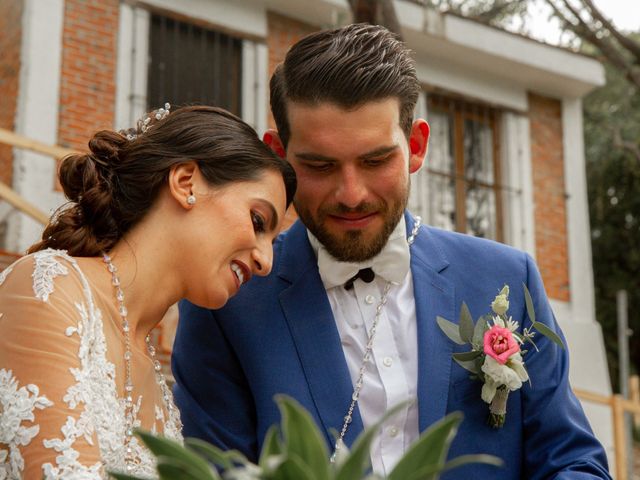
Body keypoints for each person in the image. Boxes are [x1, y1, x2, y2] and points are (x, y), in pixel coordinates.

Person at [173, 24, 611, 479]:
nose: (351, 194)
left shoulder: (507, 278)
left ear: (416, 147)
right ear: (279, 156)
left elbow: (574, 463)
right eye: (320, 166)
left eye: (375, 160)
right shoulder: (226, 303)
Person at [0, 105, 296, 479]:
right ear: (186, 182)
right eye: (258, 221)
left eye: (272, 239)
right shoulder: (48, 289)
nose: (266, 261)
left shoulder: (156, 380)